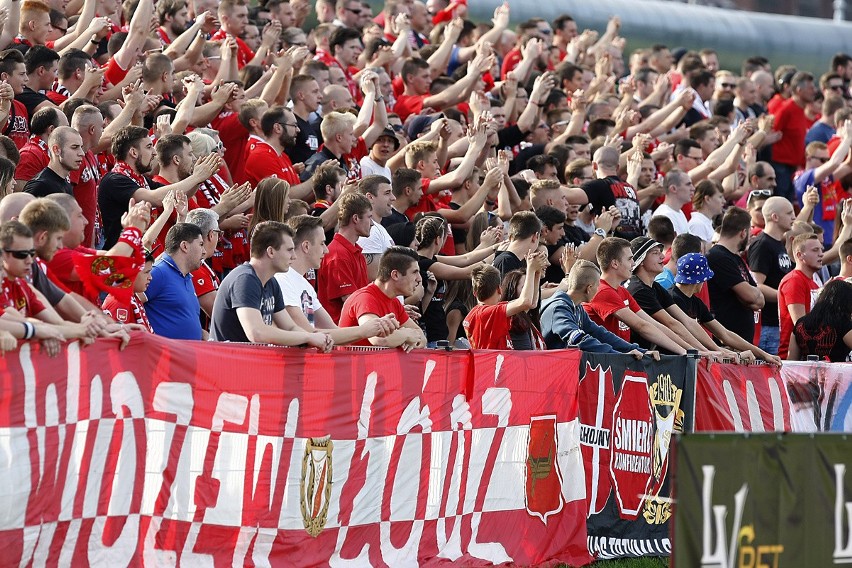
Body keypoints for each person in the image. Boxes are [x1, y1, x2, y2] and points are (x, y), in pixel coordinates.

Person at [210, 220, 334, 349]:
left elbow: (290, 327)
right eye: (289, 250)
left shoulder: (271, 282)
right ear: (270, 252)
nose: (294, 256)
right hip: (227, 365)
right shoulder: (245, 279)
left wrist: (315, 338)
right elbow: (256, 333)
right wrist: (308, 337)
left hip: (247, 364)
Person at [278, 214, 398, 344]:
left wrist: (376, 326)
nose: (326, 250)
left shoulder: (304, 285)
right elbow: (306, 333)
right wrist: (364, 330)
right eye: (322, 243)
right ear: (306, 246)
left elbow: (334, 331)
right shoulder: (282, 279)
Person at [671, 252, 781, 365]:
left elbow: (724, 334)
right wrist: (725, 352)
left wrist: (763, 354)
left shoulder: (695, 302)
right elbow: (685, 337)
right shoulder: (673, 299)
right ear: (699, 279)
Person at [584, 237, 687, 354]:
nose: (633, 263)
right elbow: (641, 326)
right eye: (629, 259)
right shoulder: (602, 291)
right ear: (615, 263)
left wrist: (689, 350)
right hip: (603, 361)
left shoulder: (621, 291)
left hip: (619, 359)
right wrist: (684, 352)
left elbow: (652, 324)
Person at [540, 259, 648, 356]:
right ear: (589, 288)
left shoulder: (577, 308)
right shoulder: (559, 308)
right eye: (597, 287)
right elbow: (577, 339)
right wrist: (617, 355)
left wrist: (639, 350)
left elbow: (600, 334)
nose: (598, 291)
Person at [338, 245, 428, 351]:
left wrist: (407, 339)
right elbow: (378, 339)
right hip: (354, 367)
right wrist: (406, 336)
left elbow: (420, 337)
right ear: (395, 275)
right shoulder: (365, 298)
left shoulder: (394, 301)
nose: (419, 279)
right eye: (414, 272)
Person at [464, 252, 548, 350]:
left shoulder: (474, 314)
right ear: (500, 289)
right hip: (493, 364)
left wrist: (536, 272)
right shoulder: (489, 313)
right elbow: (525, 302)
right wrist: (530, 269)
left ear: (474, 292)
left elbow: (531, 304)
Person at [707, 207, 765, 343]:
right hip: (726, 344)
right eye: (750, 231)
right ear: (743, 233)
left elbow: (760, 301)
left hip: (742, 344)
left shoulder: (736, 258)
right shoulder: (718, 257)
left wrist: (749, 296)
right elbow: (751, 296)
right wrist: (749, 296)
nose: (751, 236)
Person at [748, 196, 795, 354]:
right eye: (789, 213)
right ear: (775, 217)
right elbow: (756, 286)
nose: (794, 217)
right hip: (767, 326)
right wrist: (788, 298)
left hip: (778, 324)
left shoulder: (777, 244)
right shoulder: (762, 244)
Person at [144, 223, 206, 340]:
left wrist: (202, 334)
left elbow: (179, 317)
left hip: (188, 354)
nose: (204, 251)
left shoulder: (186, 275)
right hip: (165, 355)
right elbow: (128, 300)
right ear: (184, 246)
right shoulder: (159, 273)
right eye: (201, 244)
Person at [317, 191, 371, 323]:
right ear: (356, 218)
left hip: (353, 332)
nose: (372, 224)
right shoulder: (338, 255)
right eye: (369, 217)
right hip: (342, 336)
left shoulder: (353, 251)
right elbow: (351, 301)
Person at [778, 232, 824, 359]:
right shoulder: (794, 280)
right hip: (793, 358)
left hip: (808, 355)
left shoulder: (813, 283)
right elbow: (801, 326)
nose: (821, 254)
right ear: (799, 255)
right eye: (815, 250)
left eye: (821, 249)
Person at [789, 279, 852, 362]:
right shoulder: (842, 323)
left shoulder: (800, 324)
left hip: (805, 373)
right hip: (835, 374)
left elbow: (791, 361)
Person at [24, 126, 83, 197]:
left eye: (81, 147)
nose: (81, 153)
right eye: (74, 147)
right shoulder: (40, 186)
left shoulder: (67, 185)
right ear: (56, 150)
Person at [650, 168, 694, 235]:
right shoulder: (665, 215)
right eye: (688, 184)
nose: (693, 188)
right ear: (673, 189)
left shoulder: (679, 212)